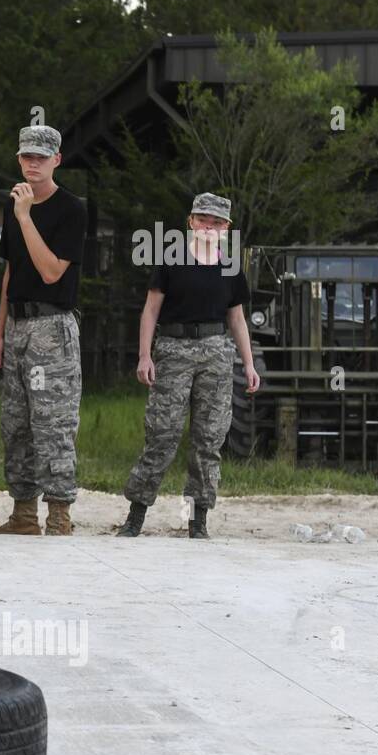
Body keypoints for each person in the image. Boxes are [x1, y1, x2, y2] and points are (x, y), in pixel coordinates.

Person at [117, 193, 259, 539]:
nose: (209, 226)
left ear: (226, 228)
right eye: (203, 220)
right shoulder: (171, 259)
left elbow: (237, 319)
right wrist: (144, 354)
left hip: (216, 353)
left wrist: (250, 364)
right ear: (191, 222)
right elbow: (150, 310)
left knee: (208, 440)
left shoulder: (231, 266)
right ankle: (136, 516)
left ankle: (196, 521)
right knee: (162, 434)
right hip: (174, 349)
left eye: (217, 222)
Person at [0, 125, 86, 537]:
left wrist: (25, 218)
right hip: (19, 325)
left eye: (42, 156)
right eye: (26, 156)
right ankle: (23, 513)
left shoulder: (71, 209)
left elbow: (51, 271)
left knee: (53, 422)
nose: (33, 163)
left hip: (51, 327)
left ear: (57, 159)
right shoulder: (14, 204)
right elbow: (12, 271)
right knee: (16, 423)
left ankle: (59, 514)